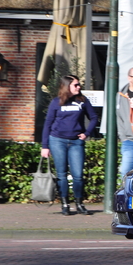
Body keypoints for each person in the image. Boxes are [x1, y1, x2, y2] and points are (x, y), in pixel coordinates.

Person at [41, 75, 98, 216]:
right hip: (57, 140)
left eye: (79, 85)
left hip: (76, 142)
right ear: (67, 87)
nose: (79, 87)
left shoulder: (82, 101)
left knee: (78, 175)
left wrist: (86, 133)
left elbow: (94, 118)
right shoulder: (56, 102)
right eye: (76, 85)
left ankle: (79, 204)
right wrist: (45, 146)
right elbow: (47, 124)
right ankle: (65, 204)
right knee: (61, 175)